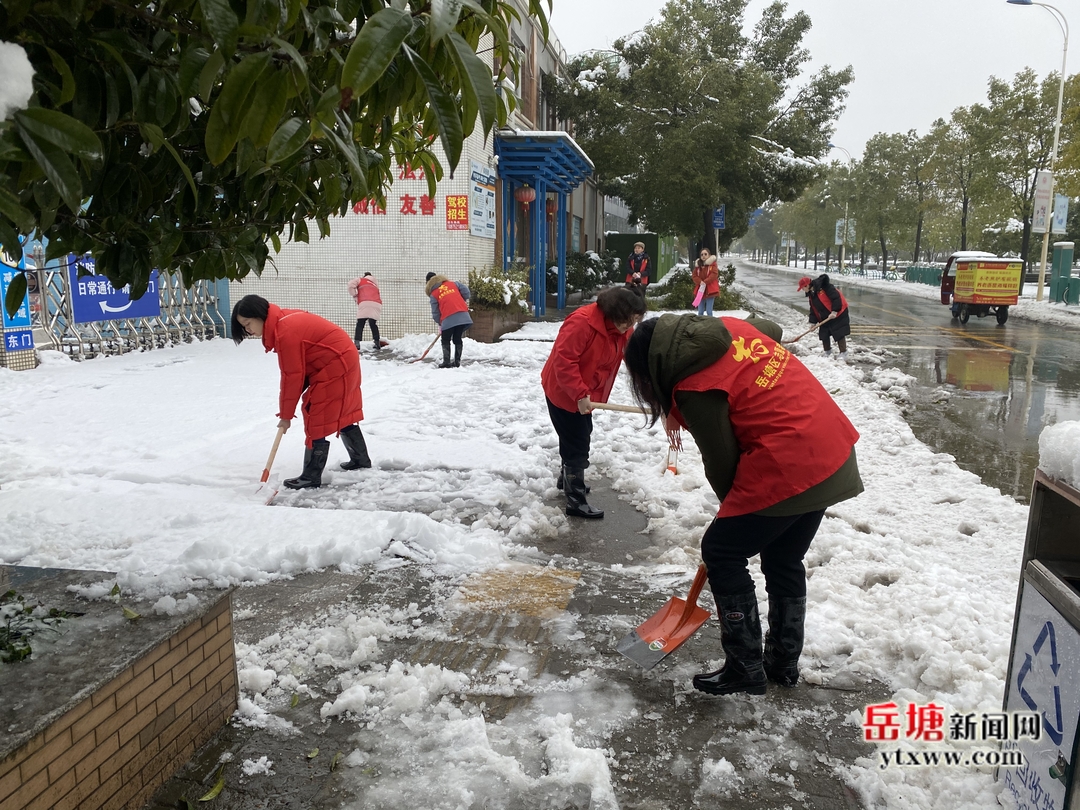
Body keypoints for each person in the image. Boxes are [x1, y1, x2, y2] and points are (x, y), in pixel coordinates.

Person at [624, 313, 863, 696]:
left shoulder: (694, 388)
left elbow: (722, 461)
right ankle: (782, 664)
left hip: (789, 463)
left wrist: (732, 518)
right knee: (784, 557)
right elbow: (772, 327)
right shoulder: (730, 328)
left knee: (721, 550)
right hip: (831, 449)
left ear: (653, 368)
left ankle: (745, 665)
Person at [231, 294, 371, 489]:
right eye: (244, 327)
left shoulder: (284, 332)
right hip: (340, 358)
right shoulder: (282, 321)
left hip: (336, 362)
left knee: (316, 411)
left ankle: (311, 476)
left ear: (260, 315)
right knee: (339, 411)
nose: (248, 330)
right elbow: (299, 372)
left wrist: (286, 416)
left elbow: (292, 377)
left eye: (248, 323)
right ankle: (360, 460)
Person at [541, 287, 647, 519]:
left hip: (585, 392)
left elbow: (626, 356)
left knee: (577, 435)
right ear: (616, 313)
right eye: (629, 321)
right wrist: (579, 394)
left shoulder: (621, 329)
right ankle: (575, 500)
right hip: (563, 390)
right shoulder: (582, 323)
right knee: (578, 443)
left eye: (635, 322)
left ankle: (566, 480)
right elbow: (564, 361)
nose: (631, 326)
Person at [424, 272, 473, 368]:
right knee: (457, 338)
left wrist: (441, 323)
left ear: (428, 283)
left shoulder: (434, 294)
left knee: (445, 339)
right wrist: (459, 299)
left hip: (448, 318)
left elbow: (436, 313)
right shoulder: (454, 284)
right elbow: (466, 293)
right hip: (463, 315)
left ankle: (446, 362)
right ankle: (457, 362)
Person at [797, 274, 851, 360]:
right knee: (824, 333)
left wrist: (834, 311)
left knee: (839, 332)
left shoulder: (825, 287)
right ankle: (827, 351)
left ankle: (843, 352)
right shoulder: (812, 293)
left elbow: (836, 298)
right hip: (826, 315)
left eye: (803, 288)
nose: (803, 290)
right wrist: (813, 323)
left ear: (807, 285)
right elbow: (813, 308)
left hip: (839, 312)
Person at [348, 272, 382, 352]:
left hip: (365, 303)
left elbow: (350, 285)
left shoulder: (361, 280)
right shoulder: (374, 284)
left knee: (360, 324)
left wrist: (354, 294)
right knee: (373, 324)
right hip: (376, 304)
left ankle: (357, 343)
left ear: (365, 276)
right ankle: (377, 343)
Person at [692, 247, 721, 316]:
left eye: (705, 254)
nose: (703, 256)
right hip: (701, 290)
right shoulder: (698, 266)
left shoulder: (713, 265)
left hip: (710, 290)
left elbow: (714, 274)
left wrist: (705, 281)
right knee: (700, 311)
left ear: (709, 255)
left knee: (709, 311)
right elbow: (694, 276)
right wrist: (700, 282)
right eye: (702, 254)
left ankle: (710, 324)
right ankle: (700, 324)